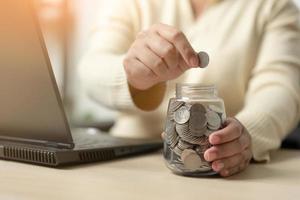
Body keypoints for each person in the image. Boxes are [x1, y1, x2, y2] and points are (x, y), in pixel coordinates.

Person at [78, 0, 300, 177]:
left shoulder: (274, 6)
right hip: (123, 165)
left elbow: (281, 90)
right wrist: (131, 75)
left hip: (217, 165)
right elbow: (90, 69)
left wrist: (246, 133)